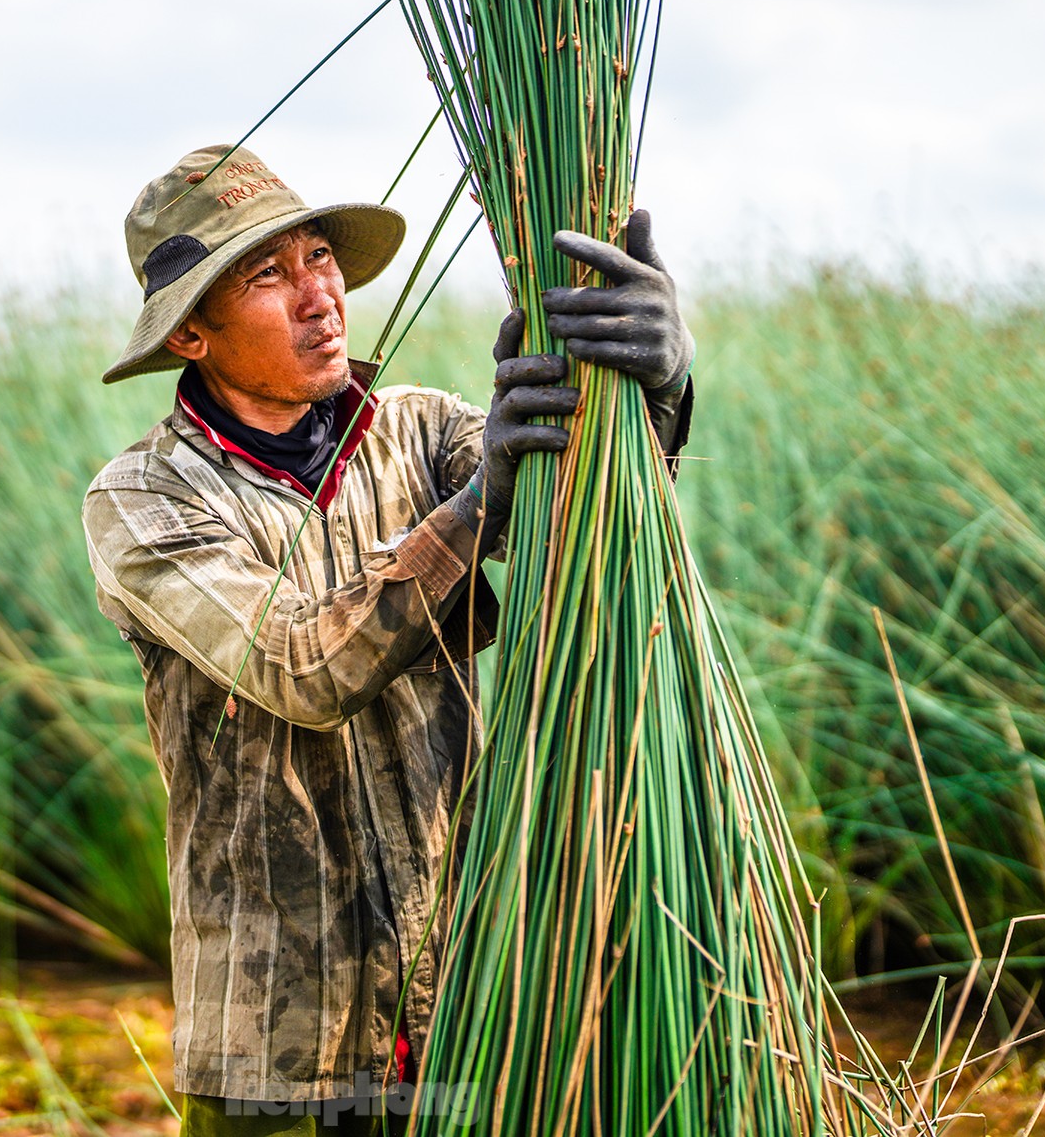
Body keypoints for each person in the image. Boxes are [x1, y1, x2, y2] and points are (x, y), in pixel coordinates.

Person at [81, 144, 694, 1136]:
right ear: (191, 331)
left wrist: (655, 386)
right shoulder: (145, 498)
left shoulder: (422, 432)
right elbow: (296, 666)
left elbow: (595, 507)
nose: (317, 294)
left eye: (318, 256)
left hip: (458, 1005)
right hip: (271, 1051)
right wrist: (471, 506)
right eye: (265, 275)